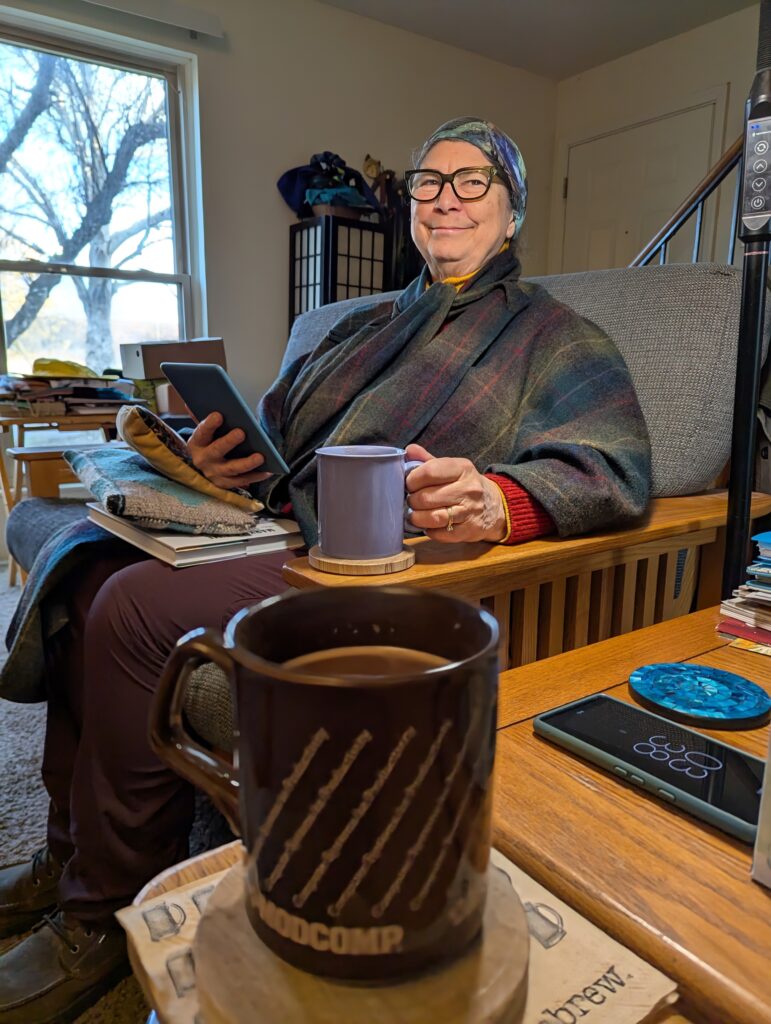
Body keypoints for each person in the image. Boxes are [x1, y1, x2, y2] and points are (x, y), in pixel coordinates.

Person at [0, 116, 650, 1022]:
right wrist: (224, 457)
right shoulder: (363, 325)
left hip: (380, 573)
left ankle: (100, 911)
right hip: (271, 527)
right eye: (429, 182)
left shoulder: (556, 338)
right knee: (85, 572)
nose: (445, 199)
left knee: (140, 608)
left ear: (512, 217)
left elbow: (613, 471)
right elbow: (272, 436)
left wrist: (501, 501)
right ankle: (69, 849)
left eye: (475, 184)